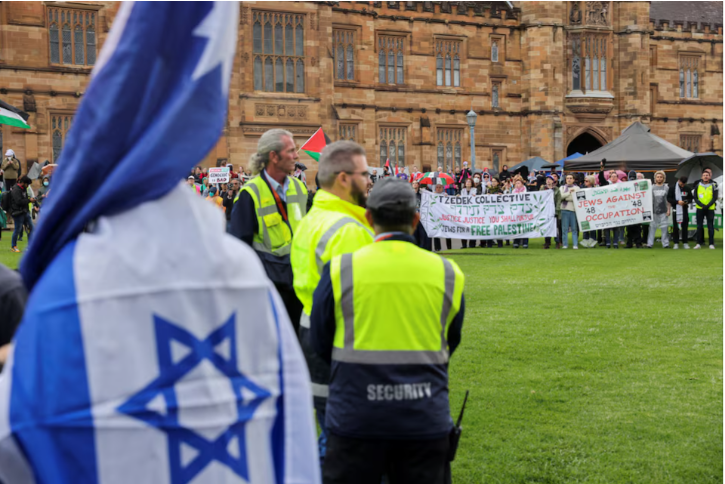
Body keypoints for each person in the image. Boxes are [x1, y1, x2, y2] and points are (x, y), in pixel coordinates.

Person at [310, 177, 465, 484]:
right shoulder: (448, 272)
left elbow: (320, 340)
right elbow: (450, 341)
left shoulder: (341, 268)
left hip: (356, 416)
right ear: (416, 219)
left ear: (368, 217)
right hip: (424, 417)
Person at [290, 140, 374, 468]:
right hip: (344, 347)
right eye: (364, 173)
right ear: (343, 178)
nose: (369, 180)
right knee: (346, 446)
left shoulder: (314, 217)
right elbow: (363, 300)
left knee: (331, 433)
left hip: (314, 335)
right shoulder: (348, 230)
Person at [230, 128, 308, 327]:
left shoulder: (300, 189)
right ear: (274, 156)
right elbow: (240, 249)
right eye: (291, 151)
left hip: (300, 286)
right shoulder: (250, 193)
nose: (296, 156)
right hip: (270, 289)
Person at [692, 168, 717, 249]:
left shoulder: (714, 185)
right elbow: (695, 197)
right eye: (704, 175)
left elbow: (714, 197)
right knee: (699, 226)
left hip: (710, 209)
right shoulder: (697, 185)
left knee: (710, 226)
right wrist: (702, 205)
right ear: (701, 177)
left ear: (709, 177)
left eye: (707, 175)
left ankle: (711, 244)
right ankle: (698, 243)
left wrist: (707, 206)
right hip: (700, 208)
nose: (705, 177)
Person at [9, 176, 34, 252]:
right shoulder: (16, 189)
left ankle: (30, 246)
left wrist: (29, 201)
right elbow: (18, 201)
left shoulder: (23, 189)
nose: (28, 186)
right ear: (23, 183)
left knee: (31, 228)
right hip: (18, 212)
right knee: (18, 229)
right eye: (27, 184)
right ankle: (13, 246)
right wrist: (29, 200)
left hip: (25, 212)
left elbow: (24, 200)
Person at [646, 171, 670, 248]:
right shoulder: (651, 188)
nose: (659, 178)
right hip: (654, 211)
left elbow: (668, 200)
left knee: (664, 228)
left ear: (663, 178)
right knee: (652, 227)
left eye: (661, 177)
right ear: (655, 178)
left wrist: (668, 209)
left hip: (664, 210)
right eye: (658, 177)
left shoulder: (666, 188)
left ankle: (665, 244)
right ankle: (649, 244)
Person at [668, 176, 692, 249]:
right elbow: (669, 198)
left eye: (684, 184)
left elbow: (691, 198)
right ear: (679, 181)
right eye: (681, 184)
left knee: (685, 226)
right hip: (676, 209)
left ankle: (685, 242)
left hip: (684, 209)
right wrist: (677, 202)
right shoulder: (672, 188)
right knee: (675, 227)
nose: (682, 185)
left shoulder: (687, 188)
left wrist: (686, 202)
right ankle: (676, 242)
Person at [541, 175, 562, 249]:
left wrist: (556, 211)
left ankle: (557, 242)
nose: (548, 180)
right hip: (546, 211)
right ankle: (547, 243)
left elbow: (559, 201)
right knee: (547, 227)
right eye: (547, 179)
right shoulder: (543, 189)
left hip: (554, 210)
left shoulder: (556, 189)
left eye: (550, 179)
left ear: (553, 181)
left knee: (556, 228)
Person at [559, 174, 579, 249]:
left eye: (571, 178)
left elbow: (576, 198)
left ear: (573, 179)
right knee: (564, 228)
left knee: (574, 228)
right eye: (568, 178)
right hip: (564, 209)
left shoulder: (577, 188)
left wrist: (566, 197)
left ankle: (575, 244)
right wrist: (569, 193)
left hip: (573, 209)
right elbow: (560, 197)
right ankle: (565, 244)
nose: (569, 179)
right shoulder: (562, 187)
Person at [432, 180, 452, 251]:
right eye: (437, 187)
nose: (438, 189)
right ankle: (437, 248)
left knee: (447, 232)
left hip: (444, 217)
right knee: (436, 232)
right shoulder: (432, 195)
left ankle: (449, 248)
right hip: (436, 217)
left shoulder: (445, 195)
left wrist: (447, 197)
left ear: (442, 188)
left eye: (440, 187)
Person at [412, 181, 431, 250]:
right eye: (413, 183)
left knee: (422, 234)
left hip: (422, 218)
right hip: (413, 218)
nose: (414, 184)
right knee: (414, 234)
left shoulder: (422, 194)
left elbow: (431, 196)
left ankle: (423, 248)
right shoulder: (409, 195)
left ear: (418, 185)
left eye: (416, 183)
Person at [512, 179, 528, 249]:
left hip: (524, 211)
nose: (517, 184)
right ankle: (516, 242)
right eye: (516, 183)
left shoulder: (525, 191)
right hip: (516, 212)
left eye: (518, 183)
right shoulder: (513, 191)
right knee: (516, 227)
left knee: (525, 226)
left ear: (522, 184)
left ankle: (525, 242)